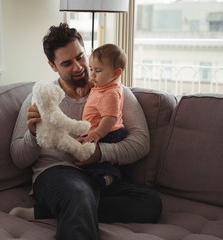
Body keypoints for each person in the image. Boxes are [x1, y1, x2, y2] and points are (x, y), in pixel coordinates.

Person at [10, 23, 162, 240]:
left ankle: (53, 211)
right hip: (58, 174)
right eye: (67, 63)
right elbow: (18, 157)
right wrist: (33, 135)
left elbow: (141, 142)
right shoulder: (41, 99)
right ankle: (73, 205)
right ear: (53, 66)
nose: (79, 67)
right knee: (78, 194)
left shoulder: (116, 92)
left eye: (80, 57)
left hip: (102, 174)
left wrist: (100, 153)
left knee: (150, 203)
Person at [79, 44, 129, 188]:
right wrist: (88, 85)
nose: (92, 75)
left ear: (116, 73)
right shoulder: (104, 83)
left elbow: (110, 118)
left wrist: (97, 133)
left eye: (98, 70)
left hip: (108, 132)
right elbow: (95, 84)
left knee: (92, 163)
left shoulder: (110, 93)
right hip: (105, 132)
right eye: (91, 69)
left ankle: (108, 176)